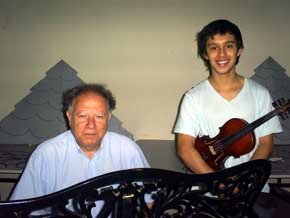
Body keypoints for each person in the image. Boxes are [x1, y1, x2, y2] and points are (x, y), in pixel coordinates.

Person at [173, 19, 283, 216]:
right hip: (208, 191)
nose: (222, 54)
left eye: (228, 46)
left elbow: (265, 142)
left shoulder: (260, 93)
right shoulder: (193, 98)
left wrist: (247, 180)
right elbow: (184, 148)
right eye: (213, 47)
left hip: (252, 190)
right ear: (205, 54)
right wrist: (219, 183)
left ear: (239, 50)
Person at [10, 83, 150, 214]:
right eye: (82, 116)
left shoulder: (128, 151)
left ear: (108, 118)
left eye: (99, 116)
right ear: (69, 117)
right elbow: (20, 209)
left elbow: (151, 202)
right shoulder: (46, 155)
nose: (91, 124)